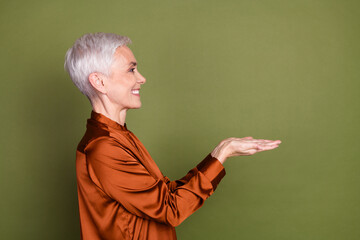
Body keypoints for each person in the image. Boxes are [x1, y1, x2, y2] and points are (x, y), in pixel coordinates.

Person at [64, 32, 281, 240]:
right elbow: (171, 209)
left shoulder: (117, 136)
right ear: (99, 82)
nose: (142, 78)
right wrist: (222, 153)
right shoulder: (103, 148)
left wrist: (220, 151)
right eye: (131, 70)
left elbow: (164, 195)